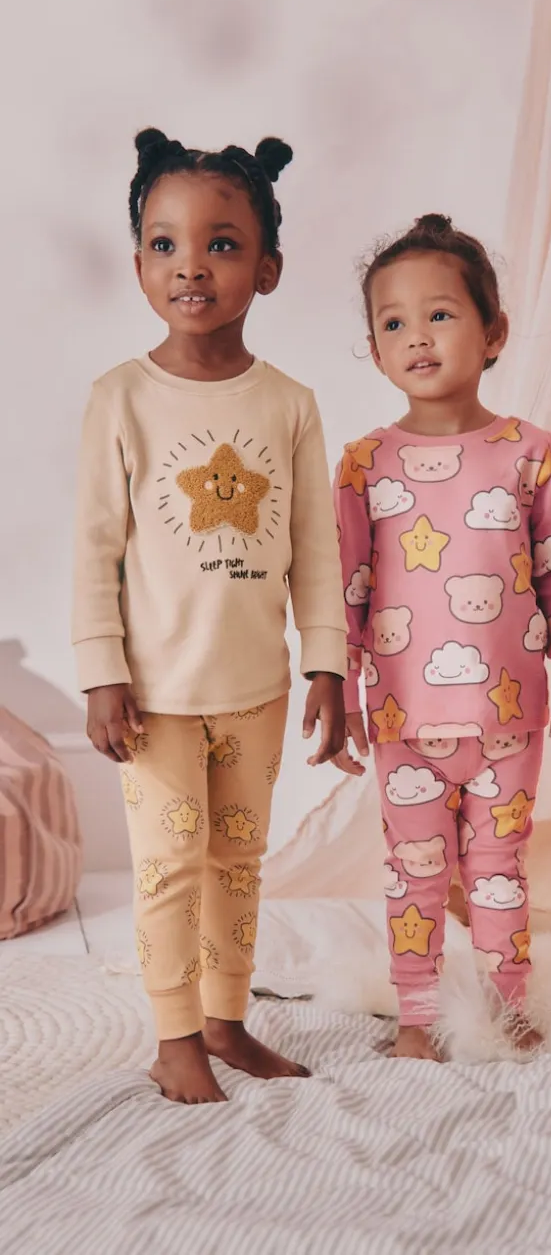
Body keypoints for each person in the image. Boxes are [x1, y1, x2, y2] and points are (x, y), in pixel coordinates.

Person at [72, 128, 347, 1103]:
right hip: (154, 695)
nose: (191, 265)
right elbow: (95, 549)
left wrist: (326, 664)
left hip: (256, 688)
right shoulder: (121, 399)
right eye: (165, 244)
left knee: (238, 860)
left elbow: (316, 548)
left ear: (267, 268)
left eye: (221, 244)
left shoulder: (290, 404)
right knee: (168, 866)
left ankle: (227, 1022)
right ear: (140, 264)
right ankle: (174, 1036)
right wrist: (102, 673)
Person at [333, 214, 551, 1060]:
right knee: (414, 872)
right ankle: (417, 1016)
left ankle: (507, 1007)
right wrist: (339, 690)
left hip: (510, 717)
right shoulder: (363, 463)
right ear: (375, 350)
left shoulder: (528, 450)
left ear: (493, 332)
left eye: (439, 314)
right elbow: (347, 589)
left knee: (500, 869)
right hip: (402, 719)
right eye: (393, 323)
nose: (417, 337)